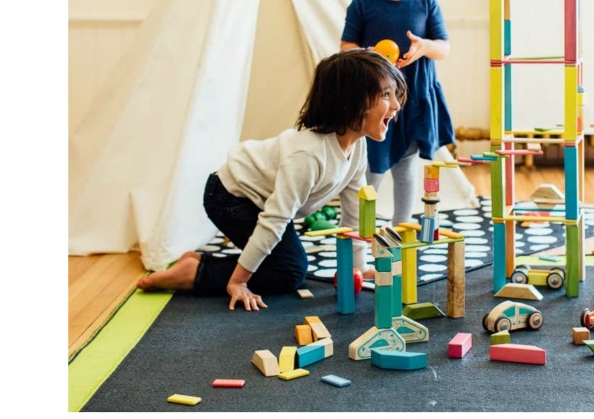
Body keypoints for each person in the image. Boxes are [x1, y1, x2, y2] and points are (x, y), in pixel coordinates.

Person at [137, 50, 406, 311]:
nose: (395, 105)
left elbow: (353, 213)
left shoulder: (357, 147)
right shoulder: (308, 156)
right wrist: (238, 282)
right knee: (289, 271)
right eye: (385, 95)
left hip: (264, 201)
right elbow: (275, 220)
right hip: (230, 195)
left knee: (287, 262)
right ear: (350, 102)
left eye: (394, 94)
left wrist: (356, 268)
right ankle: (195, 272)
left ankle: (200, 263)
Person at [340, 0, 454, 232]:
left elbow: (443, 48)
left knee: (406, 168)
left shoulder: (426, 2)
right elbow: (345, 47)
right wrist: (368, 53)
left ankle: (402, 226)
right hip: (374, 102)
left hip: (414, 100)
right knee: (371, 168)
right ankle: (358, 227)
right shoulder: (363, 3)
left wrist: (423, 47)